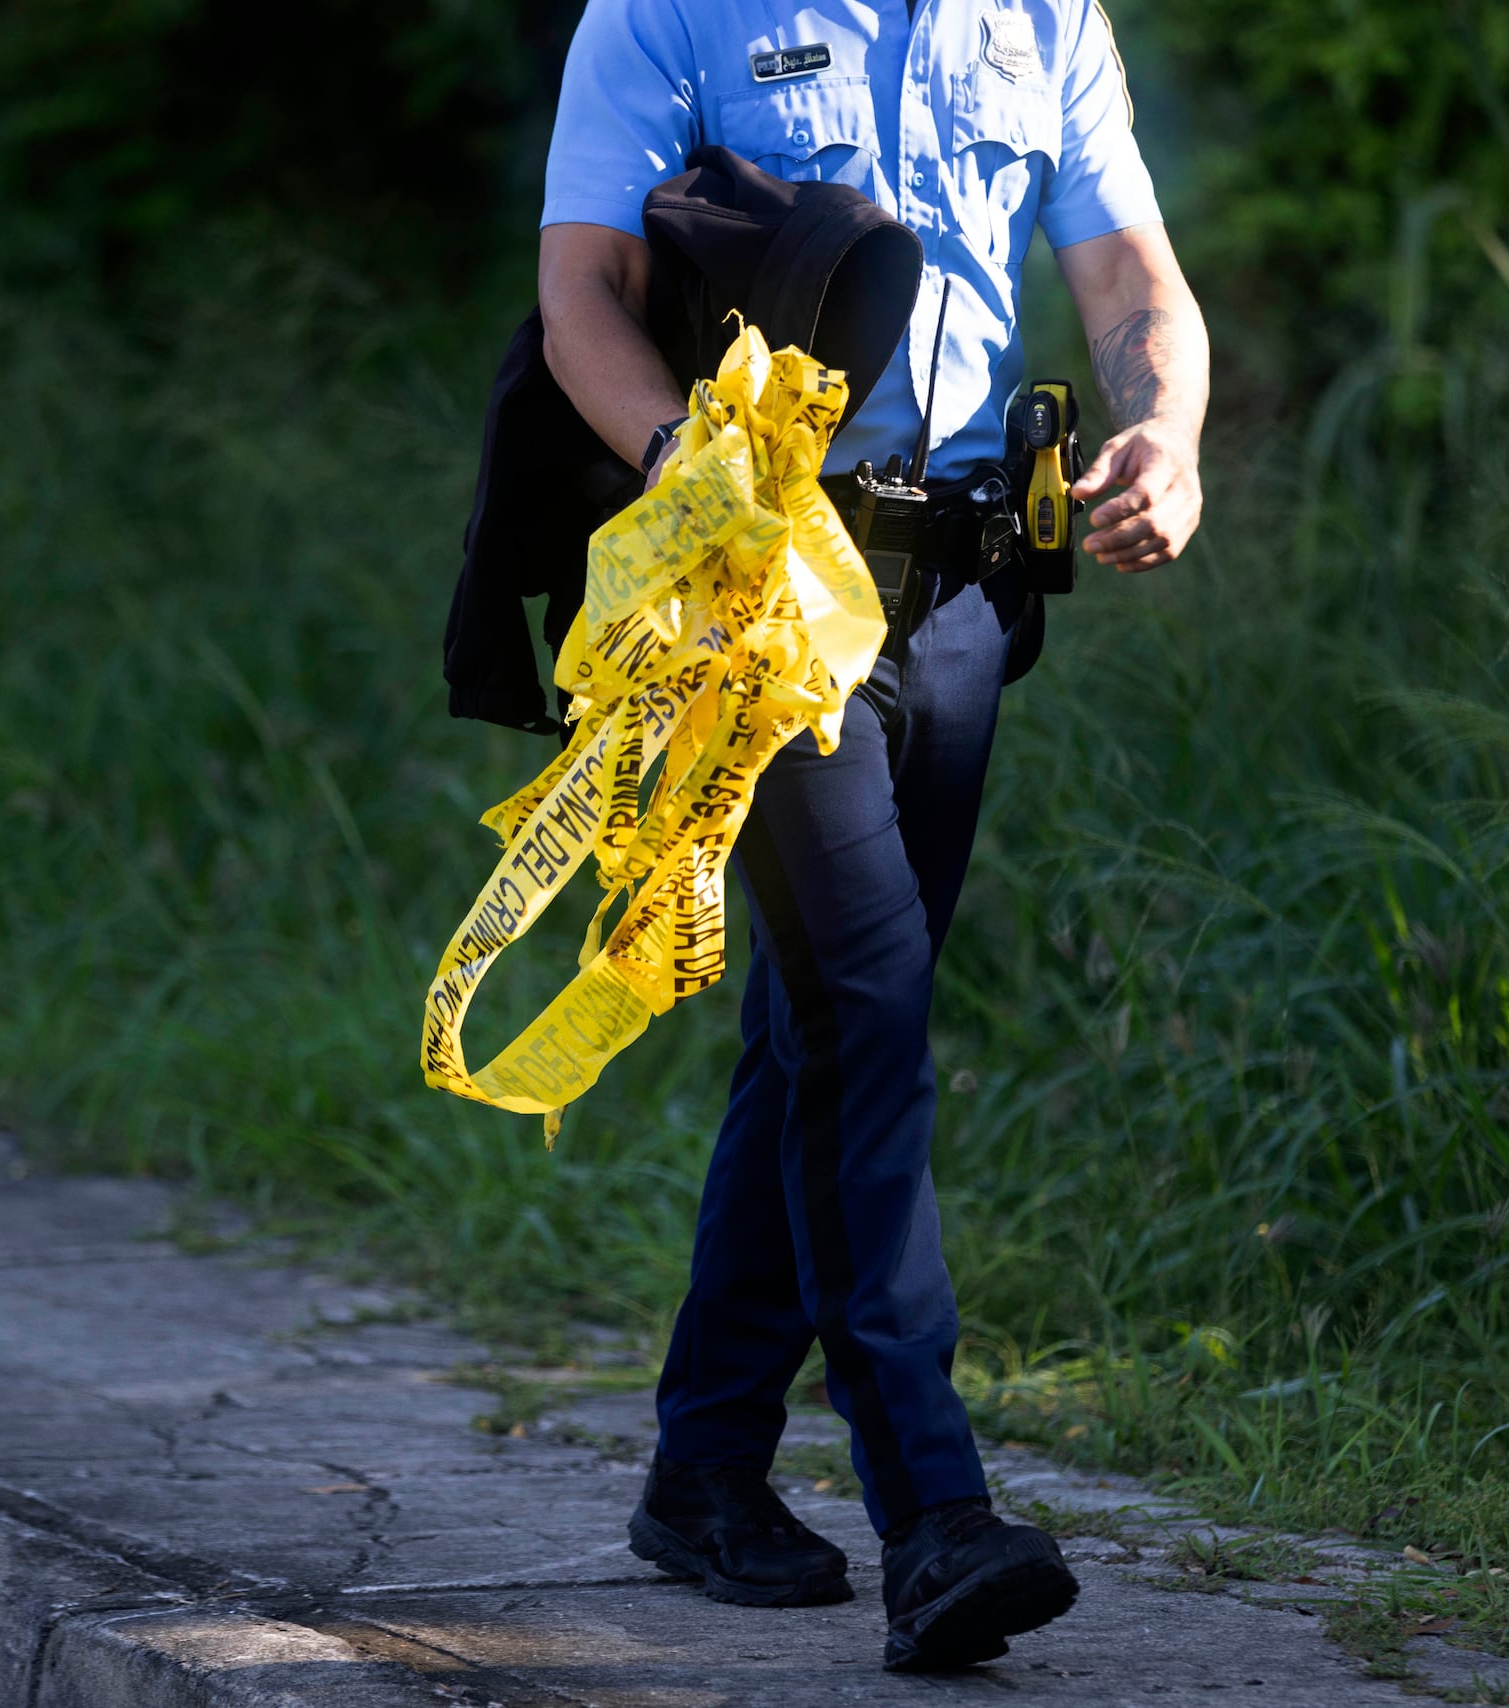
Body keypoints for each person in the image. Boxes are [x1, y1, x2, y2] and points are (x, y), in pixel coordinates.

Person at [535, 0, 1210, 1671]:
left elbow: (1131, 278)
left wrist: (1166, 438)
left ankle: (703, 1474)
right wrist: (701, 476)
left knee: (818, 1029)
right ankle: (935, 1515)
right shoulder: (669, 12)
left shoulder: (1044, 16)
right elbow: (584, 304)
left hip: (974, 598)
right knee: (868, 1009)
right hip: (764, 597)